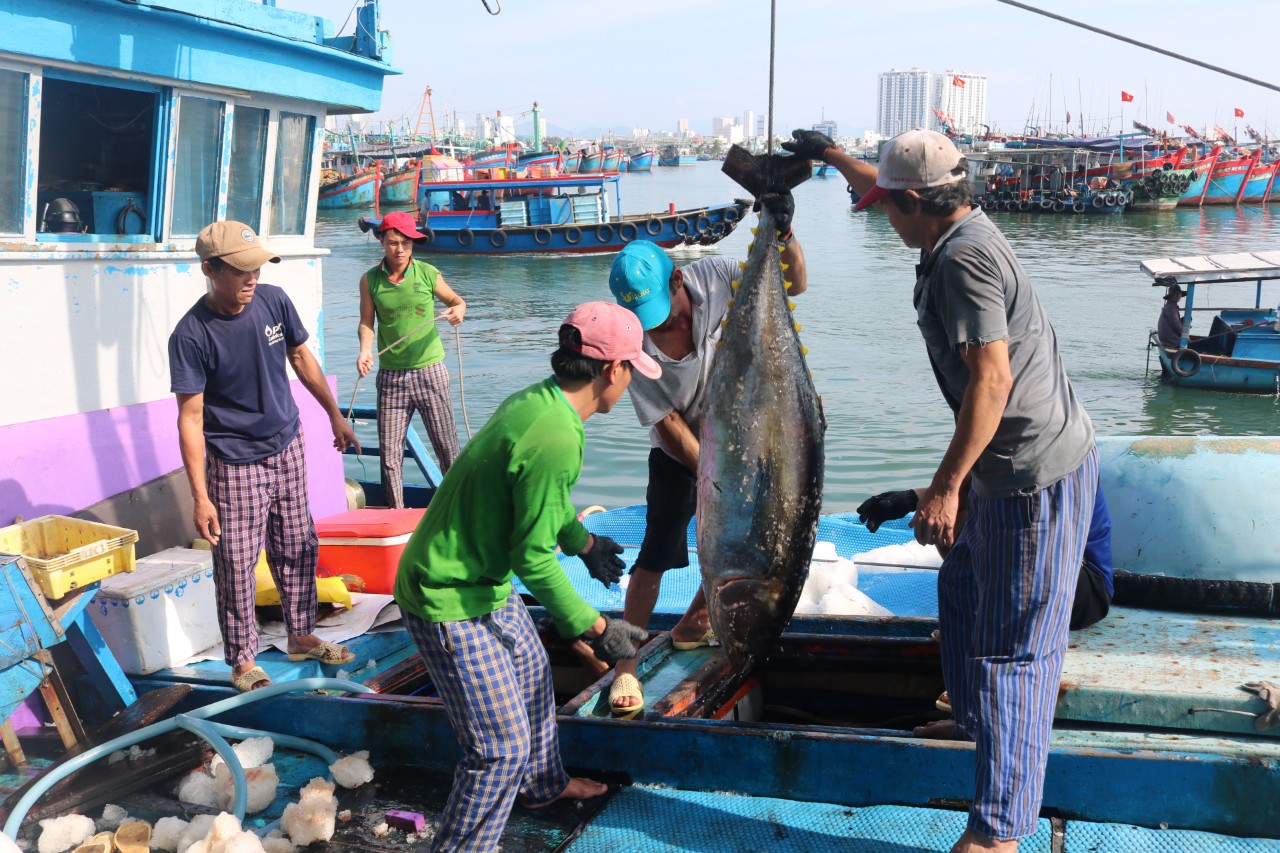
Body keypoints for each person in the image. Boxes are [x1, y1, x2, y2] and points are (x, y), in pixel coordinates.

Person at [787, 128, 1097, 853]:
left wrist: (944, 486)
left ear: (917, 203)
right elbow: (890, 184)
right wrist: (833, 158)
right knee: (960, 590)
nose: (882, 216)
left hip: (1028, 475)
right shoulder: (950, 219)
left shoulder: (964, 261)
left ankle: (999, 830)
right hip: (999, 464)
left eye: (888, 206)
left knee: (1014, 651)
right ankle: (974, 725)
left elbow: (993, 379)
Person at [393, 302, 656, 852]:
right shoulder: (557, 435)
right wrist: (593, 625)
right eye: (633, 368)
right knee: (498, 750)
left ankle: (542, 786)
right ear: (613, 370)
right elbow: (532, 558)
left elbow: (537, 500)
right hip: (447, 596)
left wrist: (584, 543)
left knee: (533, 672)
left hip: (481, 582)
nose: (631, 381)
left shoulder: (543, 402)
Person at [606, 200, 807, 719]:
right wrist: (715, 480)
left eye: (660, 309)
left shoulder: (716, 276)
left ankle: (696, 620)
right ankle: (625, 661)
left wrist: (781, 231)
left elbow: (794, 286)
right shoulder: (631, 339)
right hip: (681, 450)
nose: (656, 325)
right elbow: (666, 423)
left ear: (677, 281)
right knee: (656, 549)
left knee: (743, 539)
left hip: (743, 438)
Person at [169, 221, 359, 694]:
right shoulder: (192, 334)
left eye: (257, 267)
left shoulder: (273, 300)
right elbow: (190, 419)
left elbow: (301, 357)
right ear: (210, 269)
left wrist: (334, 415)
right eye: (240, 270)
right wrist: (200, 497)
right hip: (233, 461)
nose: (252, 278)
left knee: (297, 544)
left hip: (287, 444)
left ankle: (301, 634)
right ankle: (243, 660)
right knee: (235, 561)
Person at [858, 479, 1114, 632]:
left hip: (1081, 588)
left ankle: (983, 629)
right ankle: (980, 619)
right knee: (952, 512)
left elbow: (967, 490)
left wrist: (918, 499)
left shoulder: (1042, 448)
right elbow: (964, 486)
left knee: (960, 511)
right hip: (1032, 585)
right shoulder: (1001, 447)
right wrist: (912, 498)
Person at [357, 210, 466, 508]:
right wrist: (365, 351)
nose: (400, 249)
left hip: (431, 373)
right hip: (391, 378)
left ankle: (458, 511)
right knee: (390, 457)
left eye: (406, 243)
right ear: (382, 241)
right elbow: (367, 322)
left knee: (448, 450)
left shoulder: (428, 273)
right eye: (393, 242)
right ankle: (397, 514)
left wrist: (459, 311)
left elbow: (457, 302)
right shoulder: (369, 281)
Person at [1158, 284, 1185, 350]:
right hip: (1171, 342)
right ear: (1174, 295)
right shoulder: (1171, 308)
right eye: (1178, 294)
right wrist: (1185, 335)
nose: (1179, 296)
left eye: (1180, 294)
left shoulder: (1170, 306)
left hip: (1167, 340)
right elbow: (1176, 326)